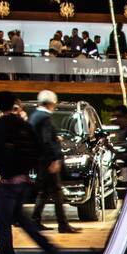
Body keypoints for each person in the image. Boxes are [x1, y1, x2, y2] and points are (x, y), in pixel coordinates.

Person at [0, 92, 56, 254]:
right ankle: (48, 246)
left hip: (8, 180)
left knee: (2, 222)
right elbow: (40, 148)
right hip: (23, 179)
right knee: (21, 218)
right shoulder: (23, 125)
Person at [29, 90, 78, 234]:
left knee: (44, 192)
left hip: (40, 160)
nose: (55, 106)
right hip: (47, 161)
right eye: (54, 103)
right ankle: (62, 224)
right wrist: (54, 158)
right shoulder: (44, 117)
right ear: (50, 103)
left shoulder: (34, 116)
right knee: (56, 192)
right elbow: (46, 140)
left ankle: (35, 220)